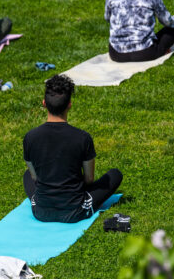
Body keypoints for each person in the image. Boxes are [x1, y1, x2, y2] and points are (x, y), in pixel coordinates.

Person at [23, 75, 123, 223]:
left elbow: (35, 177)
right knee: (115, 175)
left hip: (41, 211)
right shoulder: (83, 138)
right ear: (69, 104)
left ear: (44, 103)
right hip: (75, 211)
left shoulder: (30, 137)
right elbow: (89, 180)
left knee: (27, 175)